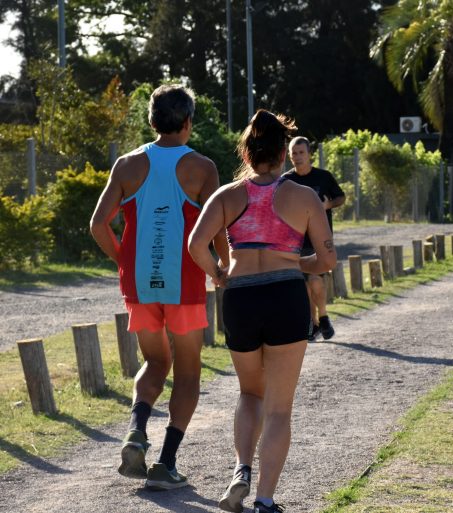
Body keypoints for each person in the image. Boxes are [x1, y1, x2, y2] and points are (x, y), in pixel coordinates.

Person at [188, 109, 336, 513]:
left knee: (250, 392)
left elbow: (195, 245)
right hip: (285, 296)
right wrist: (295, 262)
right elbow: (326, 261)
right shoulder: (303, 197)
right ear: (283, 154)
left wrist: (219, 274)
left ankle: (240, 470)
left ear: (247, 152)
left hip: (240, 298)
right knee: (279, 407)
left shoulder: (228, 195)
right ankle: (265, 500)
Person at [90, 84, 226, 489]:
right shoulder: (202, 167)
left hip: (139, 285)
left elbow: (98, 225)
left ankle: (135, 431)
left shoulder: (127, 165)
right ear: (188, 122)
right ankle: (165, 465)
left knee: (154, 362)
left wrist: (122, 261)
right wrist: (222, 269)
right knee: (187, 372)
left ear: (151, 121)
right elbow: (217, 230)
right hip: (184, 284)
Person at [282, 136, 345, 341]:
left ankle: (323, 317)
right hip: (297, 239)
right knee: (304, 284)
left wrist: (327, 206)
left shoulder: (323, 177)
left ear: (310, 155)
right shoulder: (286, 181)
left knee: (316, 280)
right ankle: (314, 323)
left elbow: (340, 197)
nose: (298, 157)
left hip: (319, 237)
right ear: (289, 156)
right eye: (294, 153)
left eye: (301, 152)